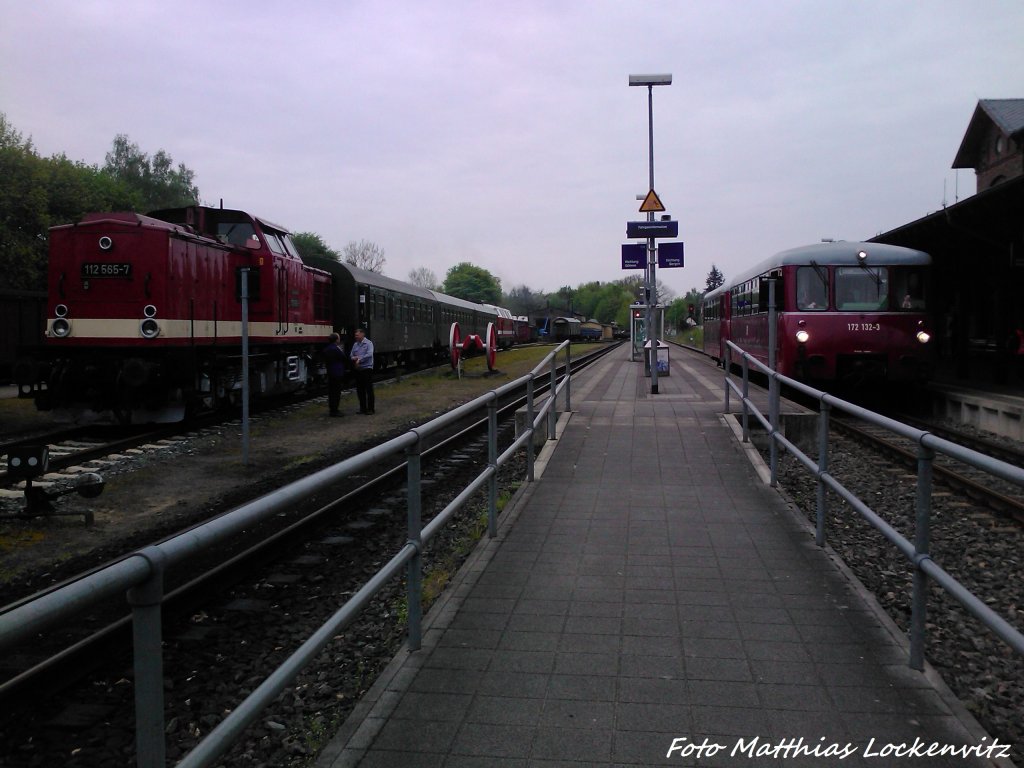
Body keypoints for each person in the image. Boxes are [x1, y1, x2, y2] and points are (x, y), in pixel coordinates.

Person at [350, 327, 375, 415]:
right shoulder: (355, 344)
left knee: (368, 389)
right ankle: (362, 408)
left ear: (362, 334)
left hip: (367, 368)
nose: (356, 337)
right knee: (360, 390)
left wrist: (360, 360)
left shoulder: (368, 343)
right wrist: (354, 358)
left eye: (357, 335)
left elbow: (369, 354)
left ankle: (371, 409)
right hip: (358, 369)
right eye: (355, 335)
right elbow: (351, 354)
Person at [322, 333, 346, 417]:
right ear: (336, 340)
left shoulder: (326, 349)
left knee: (331, 392)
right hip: (337, 372)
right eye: (338, 338)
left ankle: (332, 409)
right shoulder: (336, 349)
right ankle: (335, 410)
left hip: (330, 372)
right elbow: (343, 358)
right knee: (336, 392)